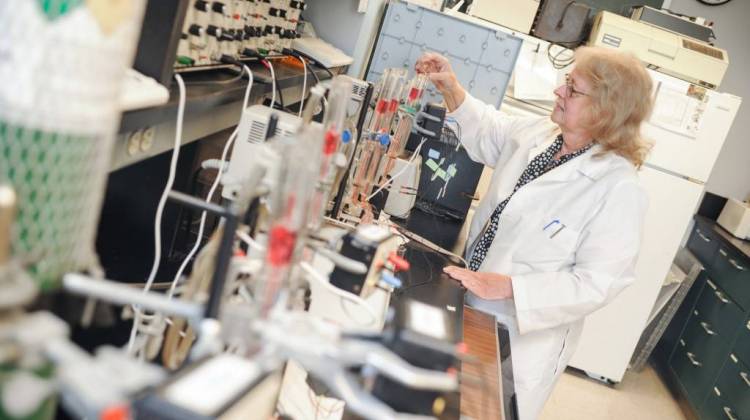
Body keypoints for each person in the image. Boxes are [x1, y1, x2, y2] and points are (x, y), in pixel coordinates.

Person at [415, 46, 654, 419]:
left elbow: (600, 282)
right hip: (471, 302)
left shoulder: (618, 187)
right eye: (566, 83)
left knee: (486, 409)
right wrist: (450, 88)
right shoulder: (542, 135)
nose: (559, 92)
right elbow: (490, 129)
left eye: (573, 90)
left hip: (522, 335)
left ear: (607, 111)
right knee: (442, 403)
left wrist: (510, 287)